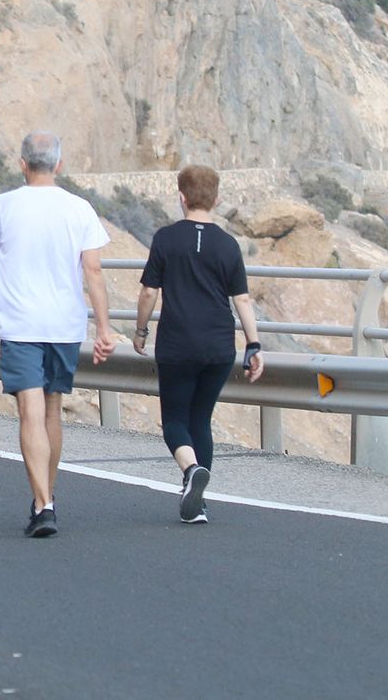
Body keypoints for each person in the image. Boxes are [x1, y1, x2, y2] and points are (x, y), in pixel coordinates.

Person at [0, 132, 115, 538]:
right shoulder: (79, 208)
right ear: (59, 165)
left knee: (29, 412)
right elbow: (93, 271)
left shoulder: (3, 205)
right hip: (64, 325)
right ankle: (44, 499)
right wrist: (104, 328)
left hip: (21, 325)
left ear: (22, 164)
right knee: (52, 410)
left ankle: (44, 504)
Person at [133, 166, 264, 524]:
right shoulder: (228, 244)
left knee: (175, 420)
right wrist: (253, 344)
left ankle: (191, 471)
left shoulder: (166, 239)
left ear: (181, 197)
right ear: (216, 200)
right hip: (218, 346)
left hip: (178, 344)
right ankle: (198, 505)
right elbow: (242, 300)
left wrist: (141, 331)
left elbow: (148, 292)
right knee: (200, 420)